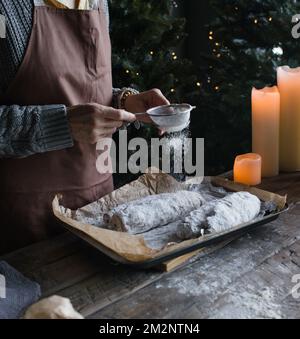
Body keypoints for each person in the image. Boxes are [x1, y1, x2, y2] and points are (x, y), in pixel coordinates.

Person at [0, 0, 169, 254]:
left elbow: (79, 90)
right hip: (23, 220)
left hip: (99, 207)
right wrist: (62, 124)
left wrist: (124, 101)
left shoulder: (99, 2)